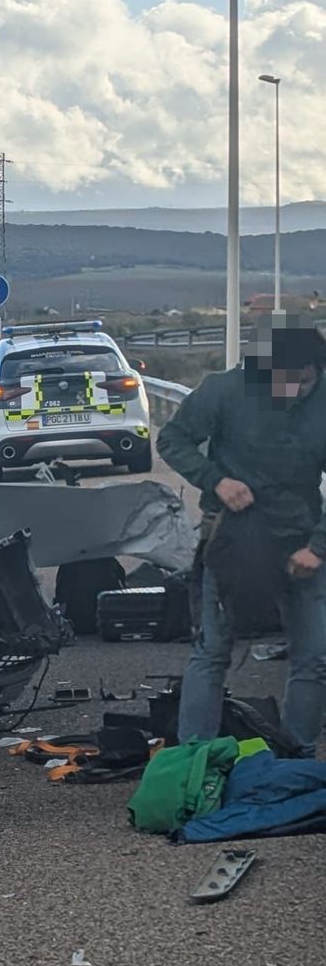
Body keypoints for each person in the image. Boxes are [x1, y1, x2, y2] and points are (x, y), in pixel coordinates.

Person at [158, 314, 326, 754]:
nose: (295, 391)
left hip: (302, 541)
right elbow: (172, 440)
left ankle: (296, 758)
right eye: (284, 381)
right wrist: (215, 481)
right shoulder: (224, 390)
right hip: (232, 539)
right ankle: (194, 759)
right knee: (213, 650)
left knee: (314, 656)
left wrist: (319, 546)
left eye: (305, 381)